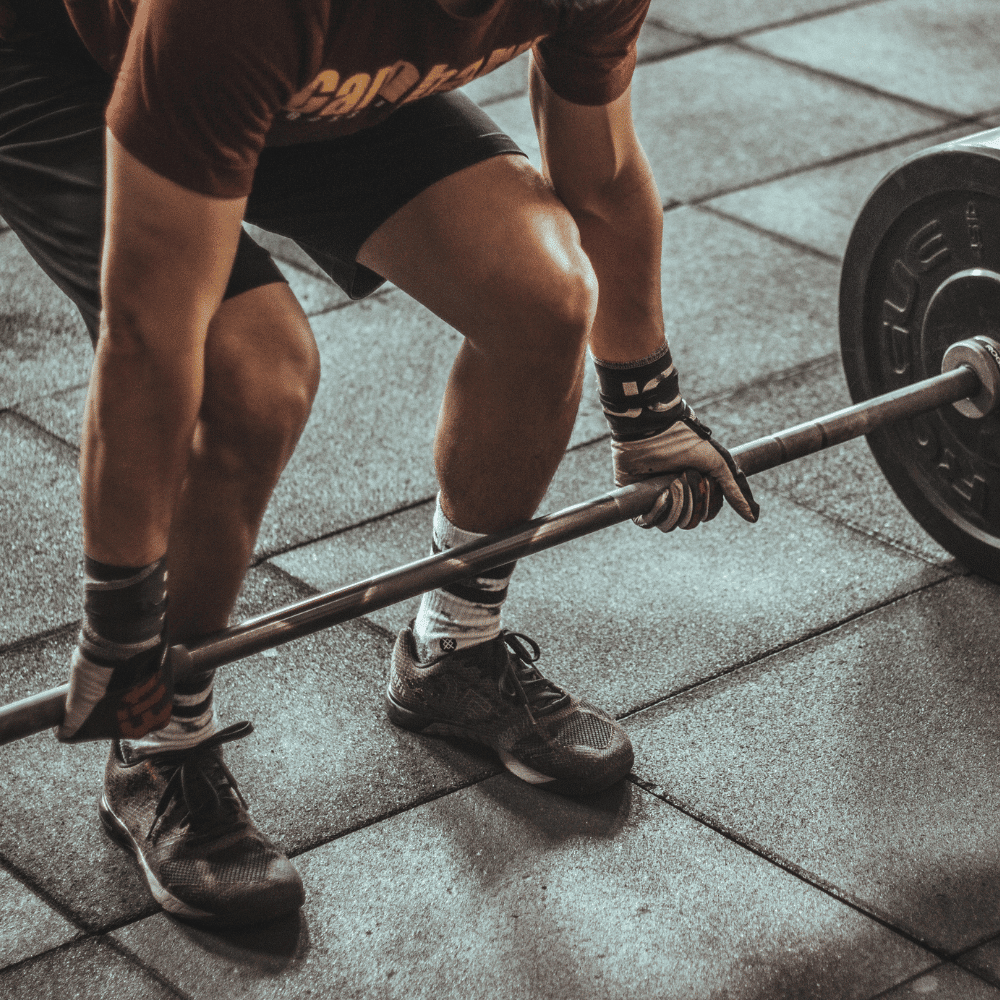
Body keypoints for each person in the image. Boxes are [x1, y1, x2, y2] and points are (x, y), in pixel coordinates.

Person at [0, 0, 758, 926]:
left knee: (544, 295)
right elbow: (154, 340)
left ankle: (454, 650)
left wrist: (648, 411)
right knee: (249, 373)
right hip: (78, 63)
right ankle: (157, 740)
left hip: (317, 77)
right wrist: (120, 622)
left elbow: (596, 180)